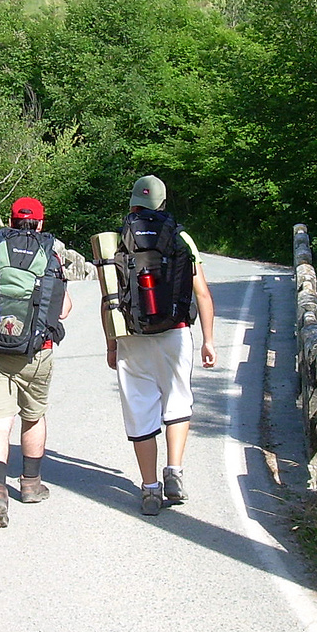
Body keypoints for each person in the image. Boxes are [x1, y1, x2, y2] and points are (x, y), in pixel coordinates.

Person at [105, 175, 216, 516]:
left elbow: (109, 298)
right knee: (178, 400)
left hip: (133, 338)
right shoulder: (181, 237)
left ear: (133, 203)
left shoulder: (116, 240)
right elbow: (202, 293)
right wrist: (209, 340)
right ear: (163, 202)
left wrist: (112, 345)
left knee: (140, 410)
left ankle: (150, 489)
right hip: (175, 331)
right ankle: (175, 472)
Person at [0, 197, 73, 528]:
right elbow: (64, 308)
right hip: (35, 351)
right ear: (40, 224)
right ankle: (30, 484)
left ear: (12, 222)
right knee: (33, 416)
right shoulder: (50, 255)